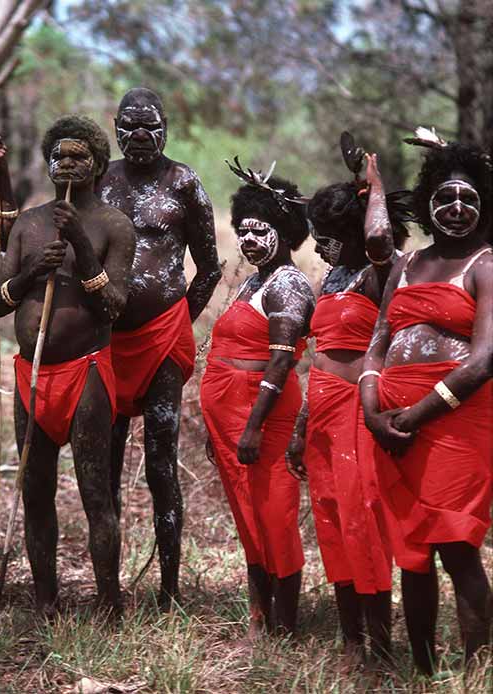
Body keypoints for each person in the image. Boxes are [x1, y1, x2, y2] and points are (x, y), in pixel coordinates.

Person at [0, 115, 135, 616]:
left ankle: (109, 602)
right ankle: (45, 599)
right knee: (35, 492)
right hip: (31, 375)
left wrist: (81, 248)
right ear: (49, 164)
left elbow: (114, 307)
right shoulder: (28, 224)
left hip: (84, 374)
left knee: (95, 492)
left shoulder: (114, 225)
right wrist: (33, 270)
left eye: (79, 157)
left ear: (98, 165)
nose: (68, 164)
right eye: (60, 156)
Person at [360, 137, 493, 674]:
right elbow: (377, 342)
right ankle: (422, 672)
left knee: (457, 545)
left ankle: (477, 671)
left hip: (456, 423)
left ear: (484, 205)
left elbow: (484, 360)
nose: (456, 208)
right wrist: (371, 411)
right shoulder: (408, 263)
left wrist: (415, 415)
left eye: (468, 198)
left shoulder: (486, 264)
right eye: (444, 198)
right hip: (392, 425)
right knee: (412, 553)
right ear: (426, 204)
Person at [286, 148, 412, 665]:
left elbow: (380, 239)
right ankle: (351, 639)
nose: (318, 247)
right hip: (321, 412)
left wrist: (373, 185)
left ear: (354, 232)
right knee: (331, 519)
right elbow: (318, 356)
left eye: (327, 236)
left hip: (360, 412)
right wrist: (301, 426)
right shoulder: (332, 279)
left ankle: (379, 645)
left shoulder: (383, 273)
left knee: (364, 520)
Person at [97, 88, 221, 604]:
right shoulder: (100, 181)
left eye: (150, 126)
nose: (140, 136)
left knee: (160, 461)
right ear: (115, 131)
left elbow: (209, 268)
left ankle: (169, 590)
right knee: (103, 463)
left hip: (164, 340)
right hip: (107, 340)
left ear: (166, 129)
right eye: (129, 127)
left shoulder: (183, 183)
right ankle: (107, 587)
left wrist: (177, 323)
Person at [200, 163, 314, 638]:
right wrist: (217, 427)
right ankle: (259, 619)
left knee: (275, 517)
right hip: (231, 420)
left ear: (283, 234)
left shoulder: (287, 284)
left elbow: (281, 361)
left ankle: (285, 627)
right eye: (242, 231)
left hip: (262, 420)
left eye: (259, 231)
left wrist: (253, 427)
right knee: (249, 518)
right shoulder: (255, 281)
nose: (248, 240)